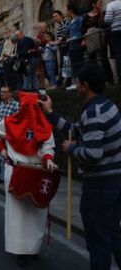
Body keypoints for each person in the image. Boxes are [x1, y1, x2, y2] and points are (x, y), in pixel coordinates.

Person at [38, 64, 121, 270]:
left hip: (100, 185)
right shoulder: (106, 106)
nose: (75, 87)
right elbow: (77, 129)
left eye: (77, 83)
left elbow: (93, 154)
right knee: (114, 234)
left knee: (98, 239)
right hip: (114, 181)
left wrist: (72, 149)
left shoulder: (93, 113)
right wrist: (50, 113)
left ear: (86, 86)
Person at [0, 92, 57, 267]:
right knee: (17, 214)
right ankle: (19, 250)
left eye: (33, 107)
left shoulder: (43, 125)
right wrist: (2, 150)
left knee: (36, 212)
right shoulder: (9, 122)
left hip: (36, 172)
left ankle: (33, 248)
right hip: (16, 171)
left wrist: (48, 159)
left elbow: (47, 145)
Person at [82, 0, 114, 85]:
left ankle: (109, 80)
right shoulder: (86, 17)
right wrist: (84, 40)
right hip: (90, 42)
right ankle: (95, 82)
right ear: (93, 4)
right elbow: (83, 30)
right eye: (99, 2)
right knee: (92, 61)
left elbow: (106, 25)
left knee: (104, 60)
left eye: (102, 2)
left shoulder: (103, 14)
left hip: (101, 39)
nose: (101, 4)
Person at [0, 86, 19, 183]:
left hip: (9, 136)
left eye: (4, 92)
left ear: (10, 94)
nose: (2, 94)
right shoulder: (0, 105)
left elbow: (17, 121)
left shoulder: (15, 105)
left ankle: (8, 178)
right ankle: (3, 177)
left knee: (8, 157)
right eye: (1, 92)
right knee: (1, 156)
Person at [66, 3, 85, 90]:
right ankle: (75, 82)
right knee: (74, 65)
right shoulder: (71, 21)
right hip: (71, 46)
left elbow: (81, 31)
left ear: (70, 11)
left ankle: (80, 82)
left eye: (67, 10)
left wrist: (73, 38)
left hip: (77, 44)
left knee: (79, 64)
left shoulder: (79, 19)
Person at [52, 10, 71, 87]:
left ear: (61, 16)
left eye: (56, 16)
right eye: (53, 17)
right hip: (61, 48)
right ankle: (62, 82)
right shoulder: (59, 27)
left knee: (66, 64)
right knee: (63, 64)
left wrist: (57, 42)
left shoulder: (66, 23)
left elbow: (64, 34)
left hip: (66, 47)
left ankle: (63, 82)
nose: (55, 18)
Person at [105, 0, 121, 84]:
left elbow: (107, 20)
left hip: (116, 32)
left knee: (118, 54)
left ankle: (120, 78)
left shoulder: (111, 5)